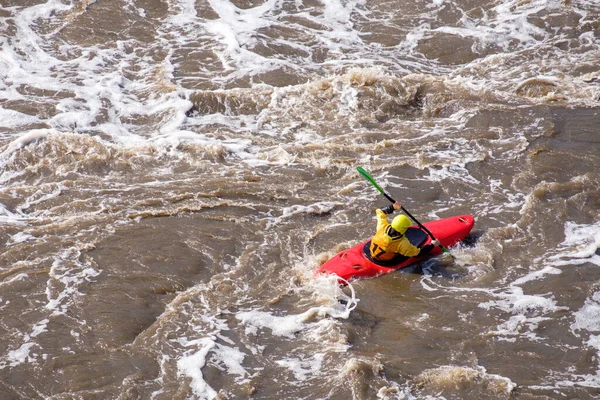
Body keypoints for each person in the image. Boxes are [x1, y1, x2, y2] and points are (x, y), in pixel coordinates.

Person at [368, 201, 440, 264]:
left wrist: (393, 207)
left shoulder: (382, 227)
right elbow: (417, 254)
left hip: (372, 253)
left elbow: (379, 211)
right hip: (385, 260)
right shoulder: (402, 244)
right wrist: (432, 245)